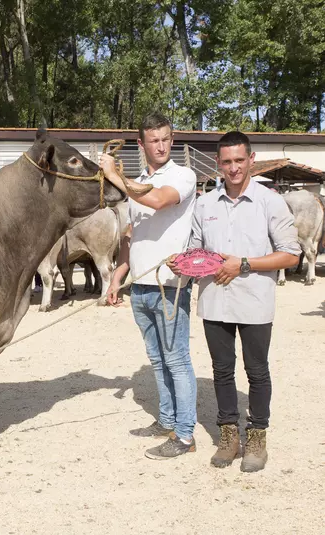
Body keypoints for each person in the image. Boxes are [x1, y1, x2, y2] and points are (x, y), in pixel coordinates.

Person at [169, 131, 300, 472]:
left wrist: (243, 263)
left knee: (257, 372)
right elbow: (197, 248)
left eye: (239, 160)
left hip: (254, 301)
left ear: (251, 159)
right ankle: (228, 436)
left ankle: (257, 436)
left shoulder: (270, 201)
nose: (233, 168)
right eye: (226, 161)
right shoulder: (205, 204)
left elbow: (290, 255)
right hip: (214, 301)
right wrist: (183, 262)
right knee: (222, 372)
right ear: (218, 163)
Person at [102, 111, 198, 459]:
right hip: (141, 286)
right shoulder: (140, 179)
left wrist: (114, 174)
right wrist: (118, 276)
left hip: (170, 285)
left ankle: (185, 436)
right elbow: (132, 234)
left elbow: (157, 201)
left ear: (172, 140)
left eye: (166, 138)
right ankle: (168, 420)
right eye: (154, 140)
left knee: (177, 360)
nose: (161, 146)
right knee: (158, 360)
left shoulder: (183, 175)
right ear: (141, 144)